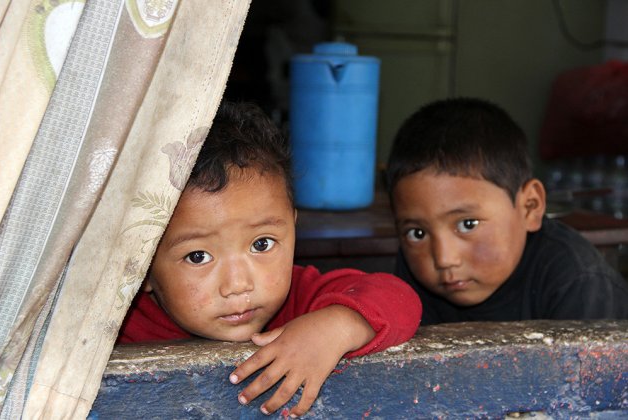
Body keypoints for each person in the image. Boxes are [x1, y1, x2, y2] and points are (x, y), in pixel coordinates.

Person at [118, 101, 422, 417]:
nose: (238, 285)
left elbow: (400, 299)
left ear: (292, 226)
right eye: (198, 256)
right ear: (143, 263)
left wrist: (338, 326)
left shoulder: (302, 300)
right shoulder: (116, 327)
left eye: (262, 244)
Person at [386, 97, 628, 325]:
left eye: (467, 224)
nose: (444, 259)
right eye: (417, 233)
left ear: (529, 208)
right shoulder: (413, 273)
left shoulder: (578, 282)